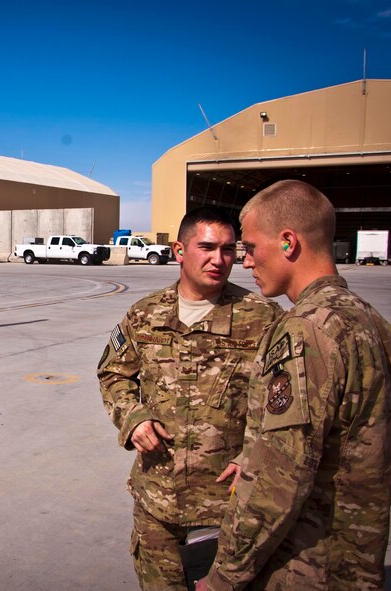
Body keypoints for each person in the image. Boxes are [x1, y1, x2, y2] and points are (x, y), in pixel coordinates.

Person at [196, 180, 391, 590]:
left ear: (288, 243)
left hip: (303, 568)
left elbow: (277, 484)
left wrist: (224, 577)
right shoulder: (376, 325)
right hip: (356, 562)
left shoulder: (304, 331)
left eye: (251, 248)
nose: (245, 263)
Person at [98, 207, 282, 590]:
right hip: (158, 497)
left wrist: (254, 453)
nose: (220, 259)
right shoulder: (145, 314)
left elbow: (284, 406)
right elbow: (114, 372)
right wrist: (133, 418)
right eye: (208, 247)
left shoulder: (263, 319)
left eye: (230, 250)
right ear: (180, 250)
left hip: (231, 502)